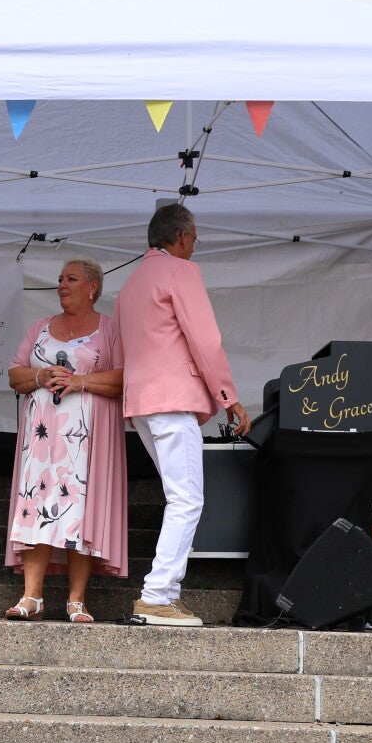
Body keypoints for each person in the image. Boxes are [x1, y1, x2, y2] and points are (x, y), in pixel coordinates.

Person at [117, 204, 249, 626]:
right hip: (172, 402)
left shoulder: (131, 282)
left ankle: (166, 595)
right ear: (181, 236)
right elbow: (205, 340)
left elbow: (122, 351)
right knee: (187, 499)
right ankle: (157, 595)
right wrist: (229, 398)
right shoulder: (181, 271)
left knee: (180, 497)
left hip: (141, 404)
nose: (195, 244)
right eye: (194, 237)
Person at [3, 258, 127, 623]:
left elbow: (124, 378)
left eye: (70, 279)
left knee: (79, 511)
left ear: (92, 287)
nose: (61, 285)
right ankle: (32, 597)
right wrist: (41, 375)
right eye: (59, 279)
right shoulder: (40, 327)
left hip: (85, 441)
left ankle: (76, 601)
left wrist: (80, 381)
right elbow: (14, 374)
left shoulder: (109, 328)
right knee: (35, 507)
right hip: (41, 440)